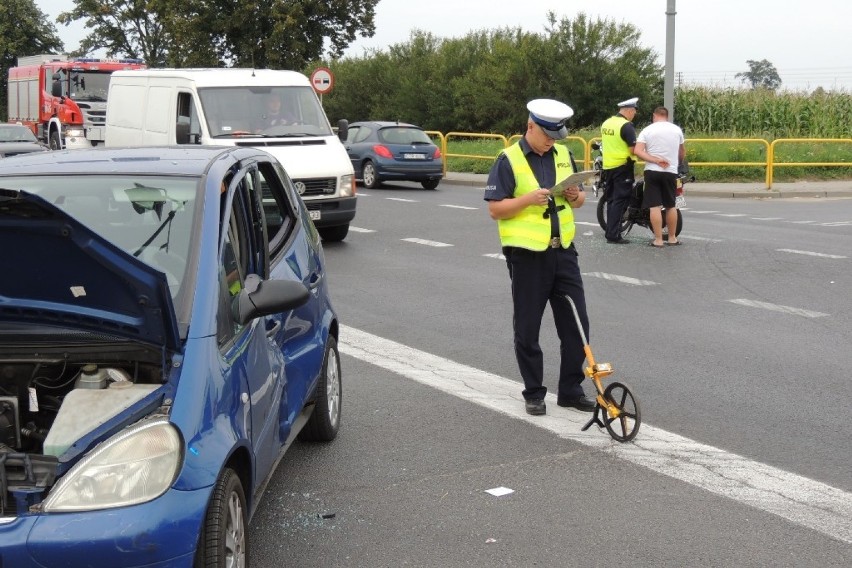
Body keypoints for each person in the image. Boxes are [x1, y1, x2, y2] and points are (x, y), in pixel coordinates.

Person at [484, 98, 596, 416]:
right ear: (530, 126)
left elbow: (579, 201)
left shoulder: (563, 154)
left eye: (556, 136)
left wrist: (577, 196)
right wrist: (527, 200)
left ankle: (571, 390)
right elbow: (495, 208)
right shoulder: (509, 159)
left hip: (564, 252)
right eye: (547, 135)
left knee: (577, 324)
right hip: (528, 256)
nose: (551, 141)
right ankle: (534, 392)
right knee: (528, 328)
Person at [632, 106, 686, 247]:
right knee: (670, 205)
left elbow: (638, 151)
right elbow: (681, 153)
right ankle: (672, 238)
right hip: (671, 171)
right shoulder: (676, 130)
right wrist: (677, 164)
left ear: (654, 116)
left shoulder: (647, 130)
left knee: (654, 206)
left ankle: (658, 240)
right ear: (666, 116)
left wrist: (654, 159)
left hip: (652, 171)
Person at [600, 97, 639, 244]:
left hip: (609, 166)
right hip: (623, 167)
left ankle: (610, 232)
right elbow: (632, 149)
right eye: (634, 112)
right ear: (629, 110)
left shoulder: (607, 123)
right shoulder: (626, 126)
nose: (634, 114)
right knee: (621, 200)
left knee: (611, 200)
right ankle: (614, 235)